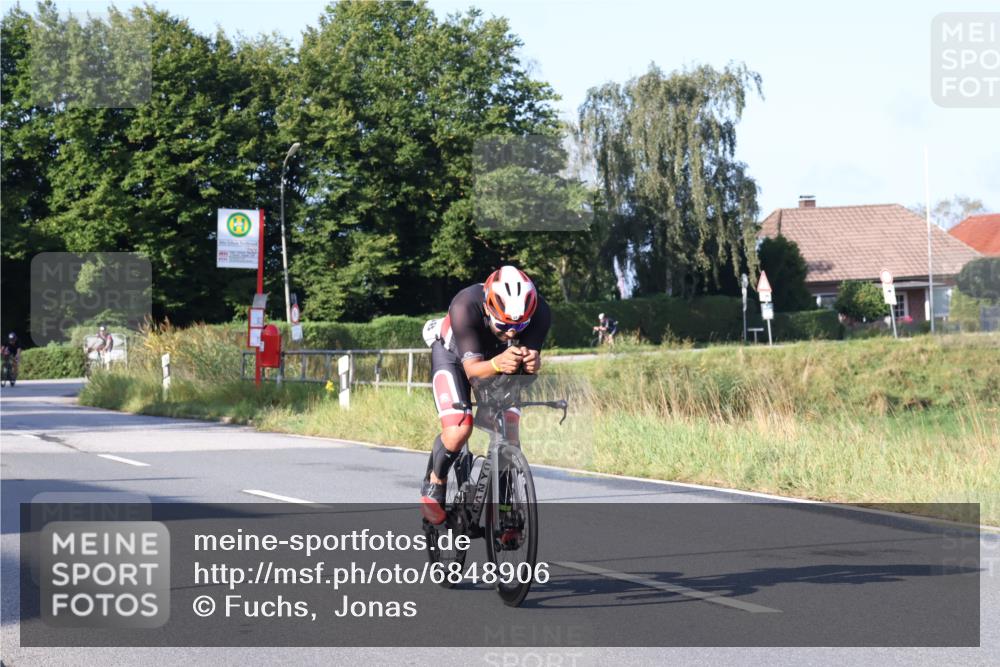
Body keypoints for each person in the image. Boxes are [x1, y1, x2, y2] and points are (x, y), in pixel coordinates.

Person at [420, 265, 551, 524]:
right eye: (503, 325)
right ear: (489, 308)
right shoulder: (465, 305)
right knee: (459, 429)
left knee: (508, 430)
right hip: (455, 358)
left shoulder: (541, 312)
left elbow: (522, 373)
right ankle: (436, 481)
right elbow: (473, 373)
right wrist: (496, 364)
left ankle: (504, 511)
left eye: (520, 325)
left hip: (496, 360)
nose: (512, 333)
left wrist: (533, 363)